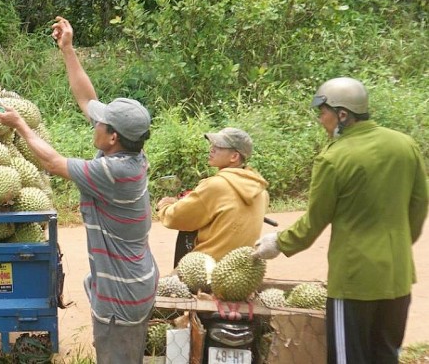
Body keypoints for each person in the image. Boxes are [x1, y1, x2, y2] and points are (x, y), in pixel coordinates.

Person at [0, 16, 159, 364]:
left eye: (100, 123)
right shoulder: (126, 150)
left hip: (122, 295)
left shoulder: (115, 172)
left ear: (112, 137)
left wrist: (20, 124)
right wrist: (67, 49)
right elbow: (87, 99)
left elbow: (53, 163)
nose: (93, 122)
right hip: (128, 282)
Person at [253, 77, 428, 364]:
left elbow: (314, 222)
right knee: (386, 356)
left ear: (342, 114)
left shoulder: (334, 158)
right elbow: (419, 204)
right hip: (398, 276)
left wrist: (279, 242)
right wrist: (398, 243)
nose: (321, 120)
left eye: (323, 113)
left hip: (354, 281)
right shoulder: (405, 145)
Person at [155, 127, 269, 263]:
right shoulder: (261, 190)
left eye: (219, 147)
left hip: (208, 266)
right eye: (212, 145)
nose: (212, 149)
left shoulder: (215, 186)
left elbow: (176, 217)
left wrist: (165, 206)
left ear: (234, 157)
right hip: (241, 266)